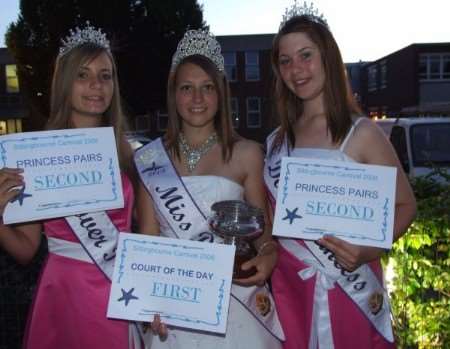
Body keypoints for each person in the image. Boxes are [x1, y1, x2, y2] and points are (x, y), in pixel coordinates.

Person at [264, 2, 417, 349]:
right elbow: (273, 222)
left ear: (328, 59)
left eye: (306, 55)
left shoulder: (361, 133)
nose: (296, 69)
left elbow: (406, 205)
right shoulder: (276, 141)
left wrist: (369, 250)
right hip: (291, 287)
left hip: (351, 286)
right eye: (285, 61)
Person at [0, 23, 148, 348]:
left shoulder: (127, 153)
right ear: (65, 84)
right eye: (82, 75)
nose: (96, 85)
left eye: (105, 75)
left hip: (120, 290)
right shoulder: (36, 155)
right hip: (64, 291)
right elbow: (25, 249)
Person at [135, 29, 285, 348]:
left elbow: (263, 231)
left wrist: (269, 254)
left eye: (207, 88)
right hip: (176, 306)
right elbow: (147, 240)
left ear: (221, 93)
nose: (198, 99)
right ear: (173, 94)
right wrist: (148, 302)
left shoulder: (247, 154)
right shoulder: (149, 159)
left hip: (236, 299)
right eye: (187, 88)